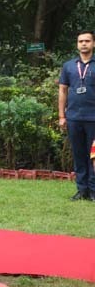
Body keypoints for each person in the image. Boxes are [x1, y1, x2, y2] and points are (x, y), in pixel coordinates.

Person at [59, 30, 95, 201]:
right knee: (79, 154)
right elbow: (63, 90)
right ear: (77, 44)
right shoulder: (69, 66)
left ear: (93, 44)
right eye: (81, 41)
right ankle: (81, 189)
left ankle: (93, 189)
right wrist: (61, 116)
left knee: (94, 156)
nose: (84, 44)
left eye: (87, 41)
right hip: (73, 117)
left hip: (93, 118)